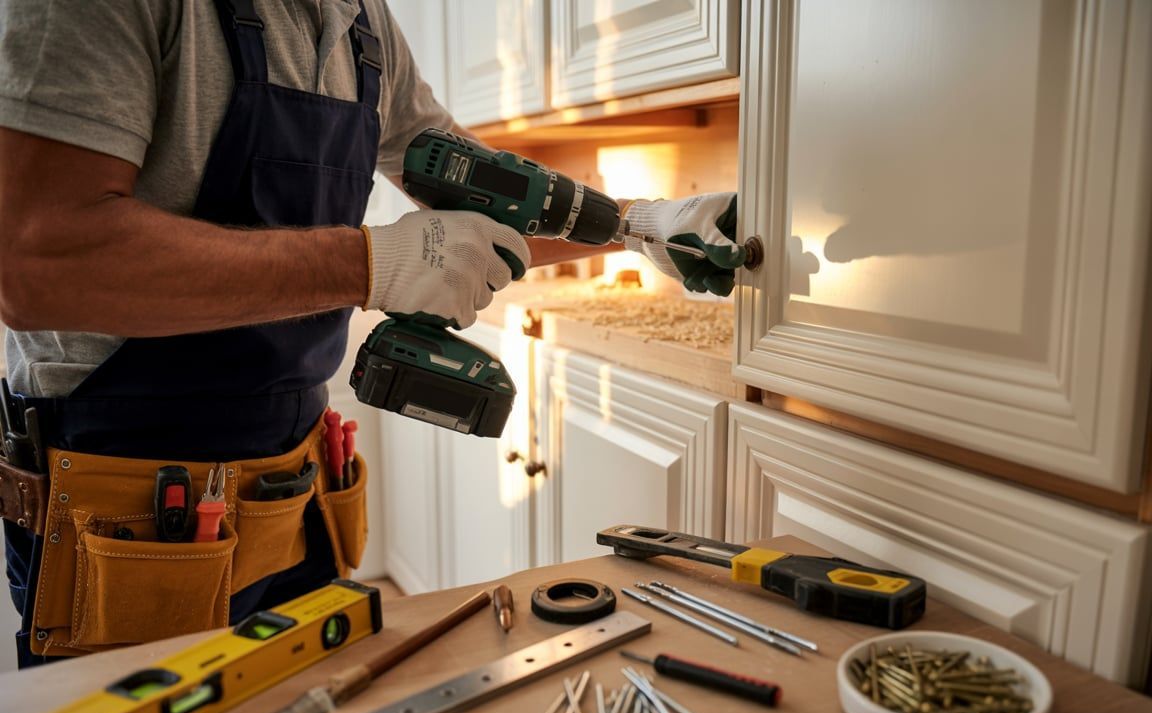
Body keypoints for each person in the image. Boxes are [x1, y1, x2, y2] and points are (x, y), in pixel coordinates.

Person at [0, 0, 745, 668]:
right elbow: (36, 264)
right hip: (124, 524)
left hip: (295, 498)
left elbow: (480, 191)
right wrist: (371, 263)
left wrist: (635, 224)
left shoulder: (362, 23)